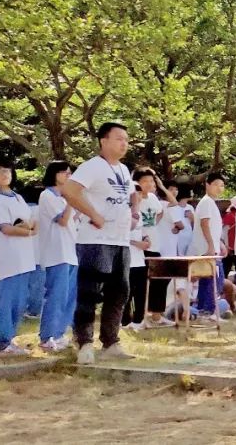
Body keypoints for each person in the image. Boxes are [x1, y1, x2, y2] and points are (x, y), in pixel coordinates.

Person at [61, 122, 136, 365]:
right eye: (118, 138)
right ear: (103, 141)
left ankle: (111, 341)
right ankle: (84, 343)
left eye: (126, 139)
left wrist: (132, 214)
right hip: (94, 240)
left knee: (119, 292)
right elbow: (70, 191)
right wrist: (93, 215)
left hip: (121, 241)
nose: (124, 143)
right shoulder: (92, 166)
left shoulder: (124, 170)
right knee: (89, 292)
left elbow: (130, 196)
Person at [0, 161, 39, 357]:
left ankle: (10, 340)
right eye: (0, 171)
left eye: (7, 170)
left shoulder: (18, 198)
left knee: (19, 302)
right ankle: (3, 343)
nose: (5, 174)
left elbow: (29, 222)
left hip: (25, 257)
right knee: (6, 302)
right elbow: (5, 228)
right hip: (7, 258)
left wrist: (31, 228)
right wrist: (29, 232)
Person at [36, 161, 79, 352]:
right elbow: (62, 220)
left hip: (71, 252)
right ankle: (47, 336)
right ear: (54, 174)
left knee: (70, 297)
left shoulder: (65, 196)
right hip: (56, 253)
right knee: (55, 295)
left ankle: (60, 334)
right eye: (64, 173)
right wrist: (70, 201)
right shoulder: (47, 195)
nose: (68, 176)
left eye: (70, 173)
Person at [123, 168, 172, 330]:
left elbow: (161, 212)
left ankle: (155, 314)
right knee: (136, 284)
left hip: (153, 244)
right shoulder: (132, 200)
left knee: (160, 279)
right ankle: (130, 319)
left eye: (151, 181)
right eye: (145, 181)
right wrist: (140, 239)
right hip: (138, 248)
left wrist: (149, 231)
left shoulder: (152, 198)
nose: (149, 184)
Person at [189, 172, 225, 321]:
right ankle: (208, 310)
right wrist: (210, 245)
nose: (219, 188)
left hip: (212, 247)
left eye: (221, 185)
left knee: (208, 279)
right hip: (206, 249)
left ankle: (203, 310)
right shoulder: (206, 202)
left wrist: (220, 243)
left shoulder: (211, 203)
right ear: (207, 185)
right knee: (215, 279)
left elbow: (213, 226)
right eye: (215, 184)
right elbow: (204, 224)